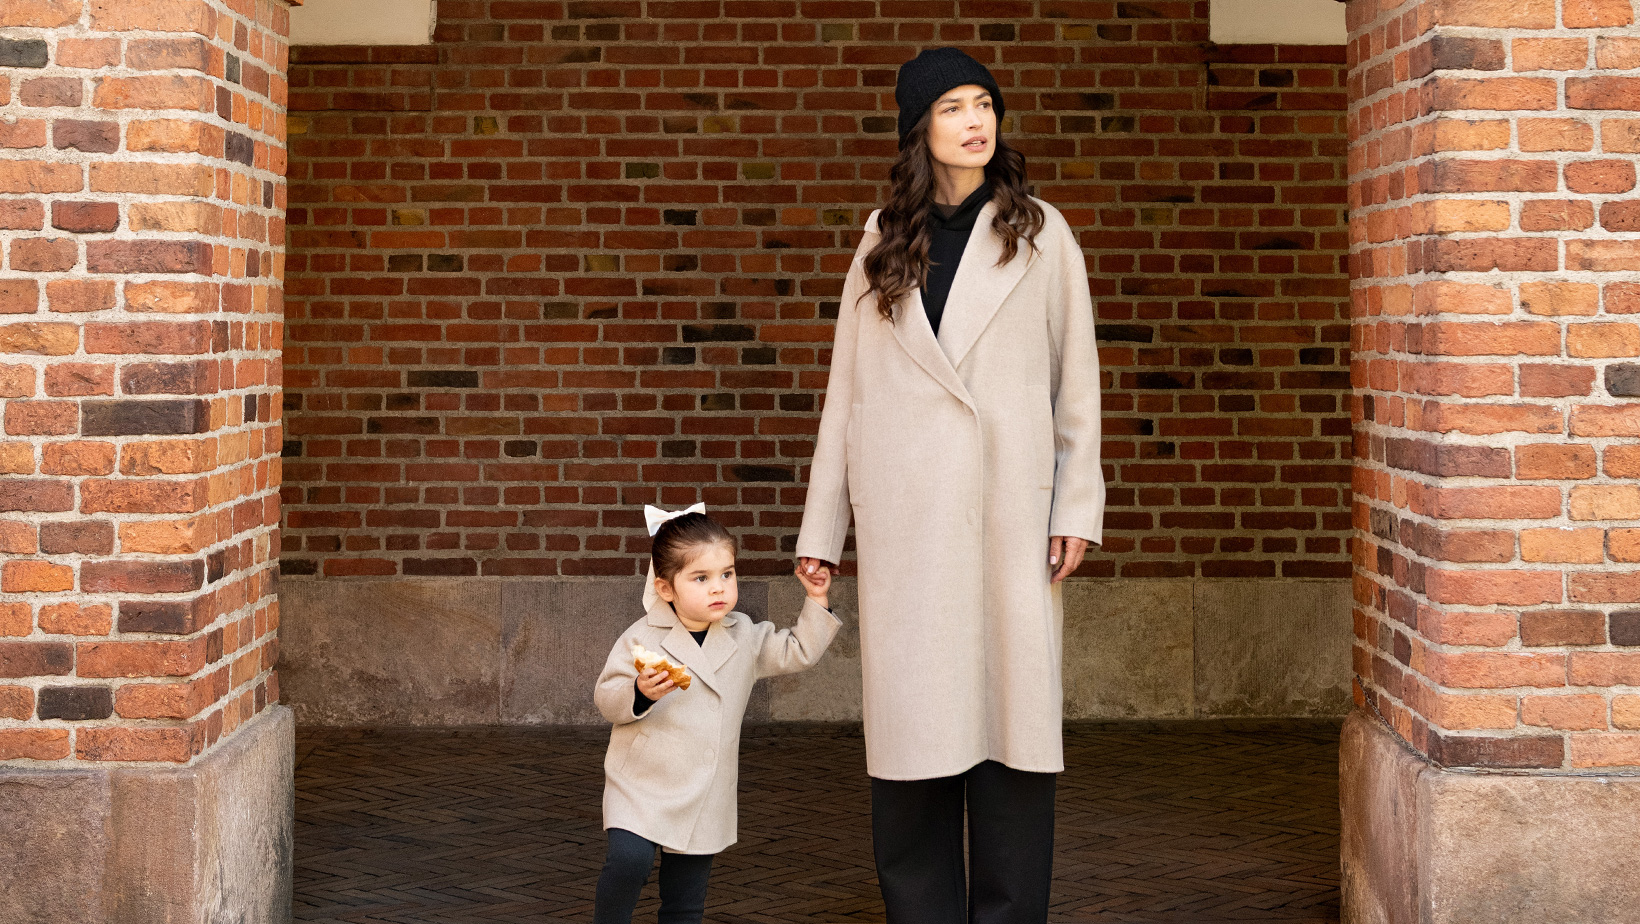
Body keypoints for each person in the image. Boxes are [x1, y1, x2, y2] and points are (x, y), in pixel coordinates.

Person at [796, 47, 1105, 924]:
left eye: (985, 104)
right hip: (908, 522)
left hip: (1008, 514)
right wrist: (822, 532)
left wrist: (1075, 506)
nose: (976, 122)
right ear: (919, 129)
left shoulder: (1041, 234)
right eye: (953, 108)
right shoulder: (880, 242)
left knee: (1012, 734)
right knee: (913, 745)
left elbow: (1076, 384)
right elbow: (846, 397)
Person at [592, 504, 840, 924]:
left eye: (727, 574)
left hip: (705, 789)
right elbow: (606, 696)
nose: (718, 588)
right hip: (640, 784)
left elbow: (797, 650)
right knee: (629, 862)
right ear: (666, 588)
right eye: (701, 578)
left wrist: (817, 599)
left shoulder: (744, 635)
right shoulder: (641, 637)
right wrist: (639, 692)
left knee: (685, 901)